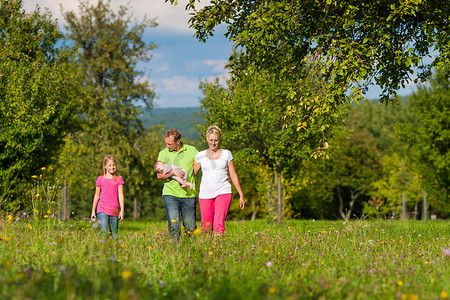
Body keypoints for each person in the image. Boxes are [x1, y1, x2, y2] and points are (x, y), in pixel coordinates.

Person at [194, 125, 245, 234]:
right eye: (211, 140)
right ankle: (208, 249)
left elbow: (233, 174)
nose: (213, 143)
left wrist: (241, 194)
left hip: (223, 191)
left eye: (216, 140)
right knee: (206, 227)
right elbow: (191, 174)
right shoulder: (200, 155)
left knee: (218, 224)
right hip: (205, 193)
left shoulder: (227, 154)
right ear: (207, 139)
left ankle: (218, 248)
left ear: (219, 139)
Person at [157, 129, 198, 240]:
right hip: (170, 193)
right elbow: (159, 175)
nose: (167, 146)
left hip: (189, 195)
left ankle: (191, 250)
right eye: (166, 143)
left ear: (178, 141)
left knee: (190, 227)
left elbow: (201, 164)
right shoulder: (164, 153)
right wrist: (172, 173)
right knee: (174, 225)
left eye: (170, 144)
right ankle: (176, 250)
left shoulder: (192, 150)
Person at [91, 155, 125, 236]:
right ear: (105, 166)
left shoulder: (119, 179)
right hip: (102, 209)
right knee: (104, 233)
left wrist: (122, 210)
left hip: (114, 210)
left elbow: (121, 195)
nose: (112, 167)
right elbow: (96, 195)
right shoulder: (100, 179)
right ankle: (103, 248)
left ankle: (113, 249)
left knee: (114, 235)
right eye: (109, 165)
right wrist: (93, 210)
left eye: (114, 165)